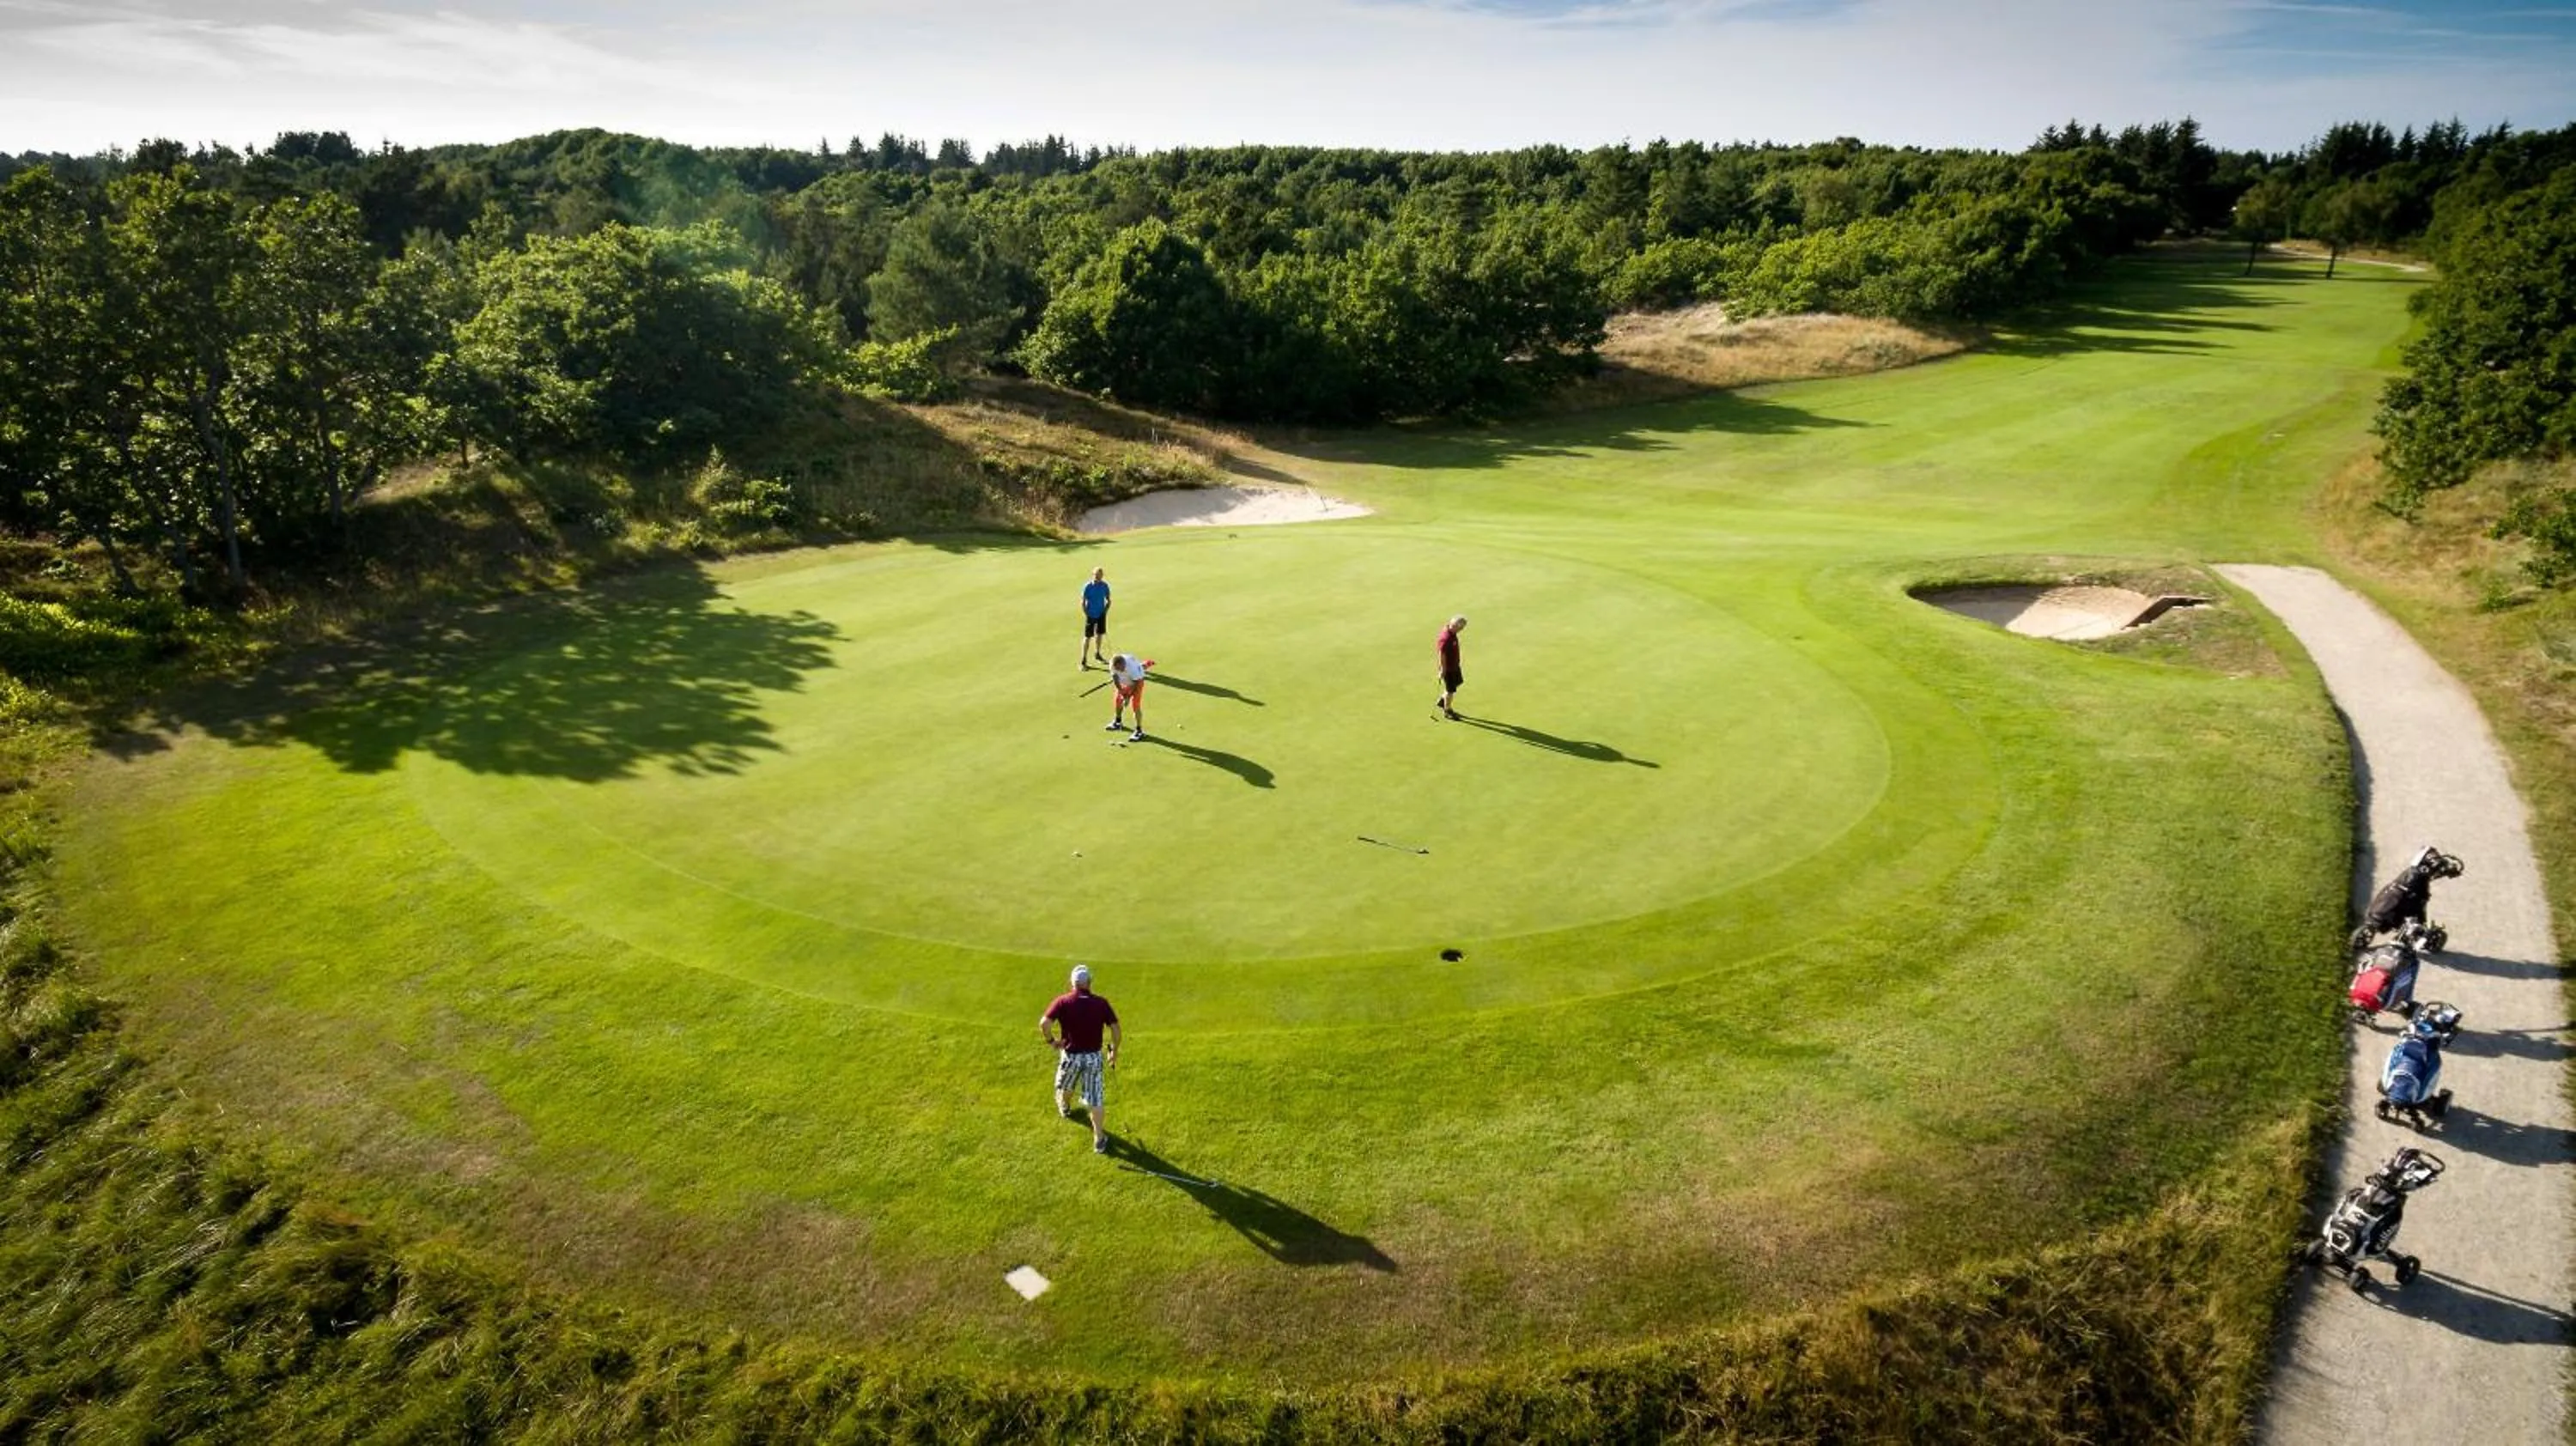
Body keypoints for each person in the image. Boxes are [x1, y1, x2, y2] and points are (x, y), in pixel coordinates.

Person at [1040, 964, 1121, 1153]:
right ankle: (1099, 1138)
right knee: (1095, 1099)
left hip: (1071, 1056)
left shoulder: (1062, 1002)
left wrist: (1052, 1041)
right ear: (1089, 982)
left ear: (1072, 983)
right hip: (1093, 1058)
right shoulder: (1101, 1003)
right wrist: (1114, 1051)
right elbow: (1116, 1029)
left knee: (1066, 1085)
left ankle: (1065, 1107)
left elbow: (1044, 1024)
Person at [1106, 652, 1152, 739]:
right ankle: (1118, 722)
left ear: (1124, 664)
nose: (1120, 671)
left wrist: (1127, 697)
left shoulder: (1132, 669)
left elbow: (1135, 684)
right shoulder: (1113, 665)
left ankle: (1139, 731)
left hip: (1137, 682)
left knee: (1135, 705)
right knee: (1118, 700)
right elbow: (1115, 679)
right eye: (1118, 669)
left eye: (1122, 669)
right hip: (1125, 682)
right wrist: (1122, 693)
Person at [1435, 615, 1467, 720]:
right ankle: (1447, 710)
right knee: (1450, 690)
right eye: (1460, 628)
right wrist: (1443, 670)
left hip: (1454, 666)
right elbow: (1441, 654)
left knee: (1458, 682)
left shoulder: (1452, 633)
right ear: (1454, 626)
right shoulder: (1446, 638)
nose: (1461, 630)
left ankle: (1442, 700)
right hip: (1448, 669)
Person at [1079, 568, 1112, 669]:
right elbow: (1083, 602)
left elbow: (1108, 600)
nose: (1097, 577)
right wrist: (1086, 613)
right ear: (1092, 575)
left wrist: (1105, 611)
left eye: (1099, 575)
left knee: (1099, 634)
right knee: (1087, 637)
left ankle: (1097, 654)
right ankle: (1083, 660)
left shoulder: (1104, 586)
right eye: (1096, 575)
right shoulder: (1088, 587)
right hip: (1091, 615)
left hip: (1101, 614)